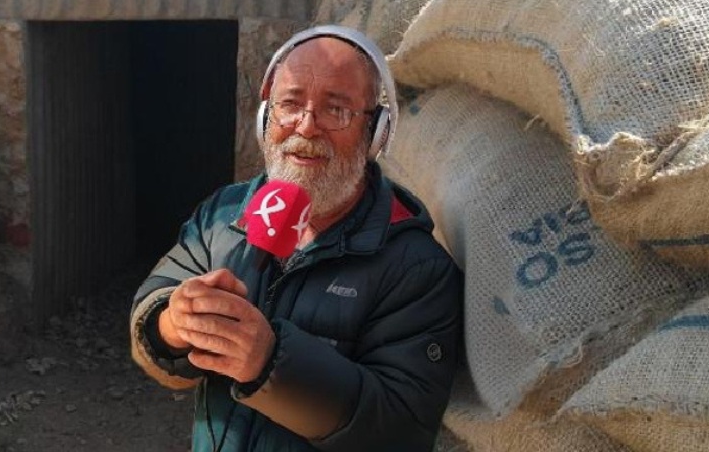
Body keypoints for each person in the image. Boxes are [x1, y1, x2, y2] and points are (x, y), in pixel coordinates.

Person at [130, 25, 463, 451]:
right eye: (290, 104)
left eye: (336, 110)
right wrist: (172, 324)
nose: (306, 127)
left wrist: (271, 363)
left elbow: (400, 430)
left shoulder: (417, 269)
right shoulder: (225, 214)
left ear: (376, 133)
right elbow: (151, 309)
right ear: (266, 116)